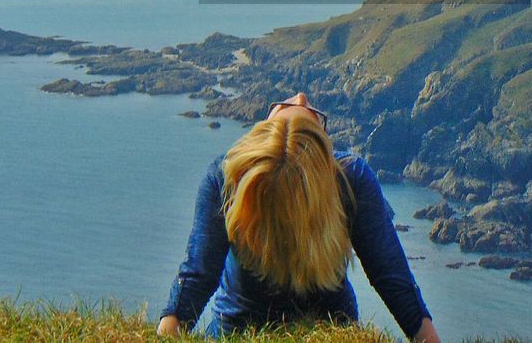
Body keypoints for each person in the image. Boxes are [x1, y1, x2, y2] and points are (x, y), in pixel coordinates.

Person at [156, 92, 442, 342]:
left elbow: (197, 275)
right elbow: (390, 275)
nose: (301, 96)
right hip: (336, 329)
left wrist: (166, 330)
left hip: (234, 332)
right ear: (321, 156)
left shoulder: (226, 178)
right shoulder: (349, 178)